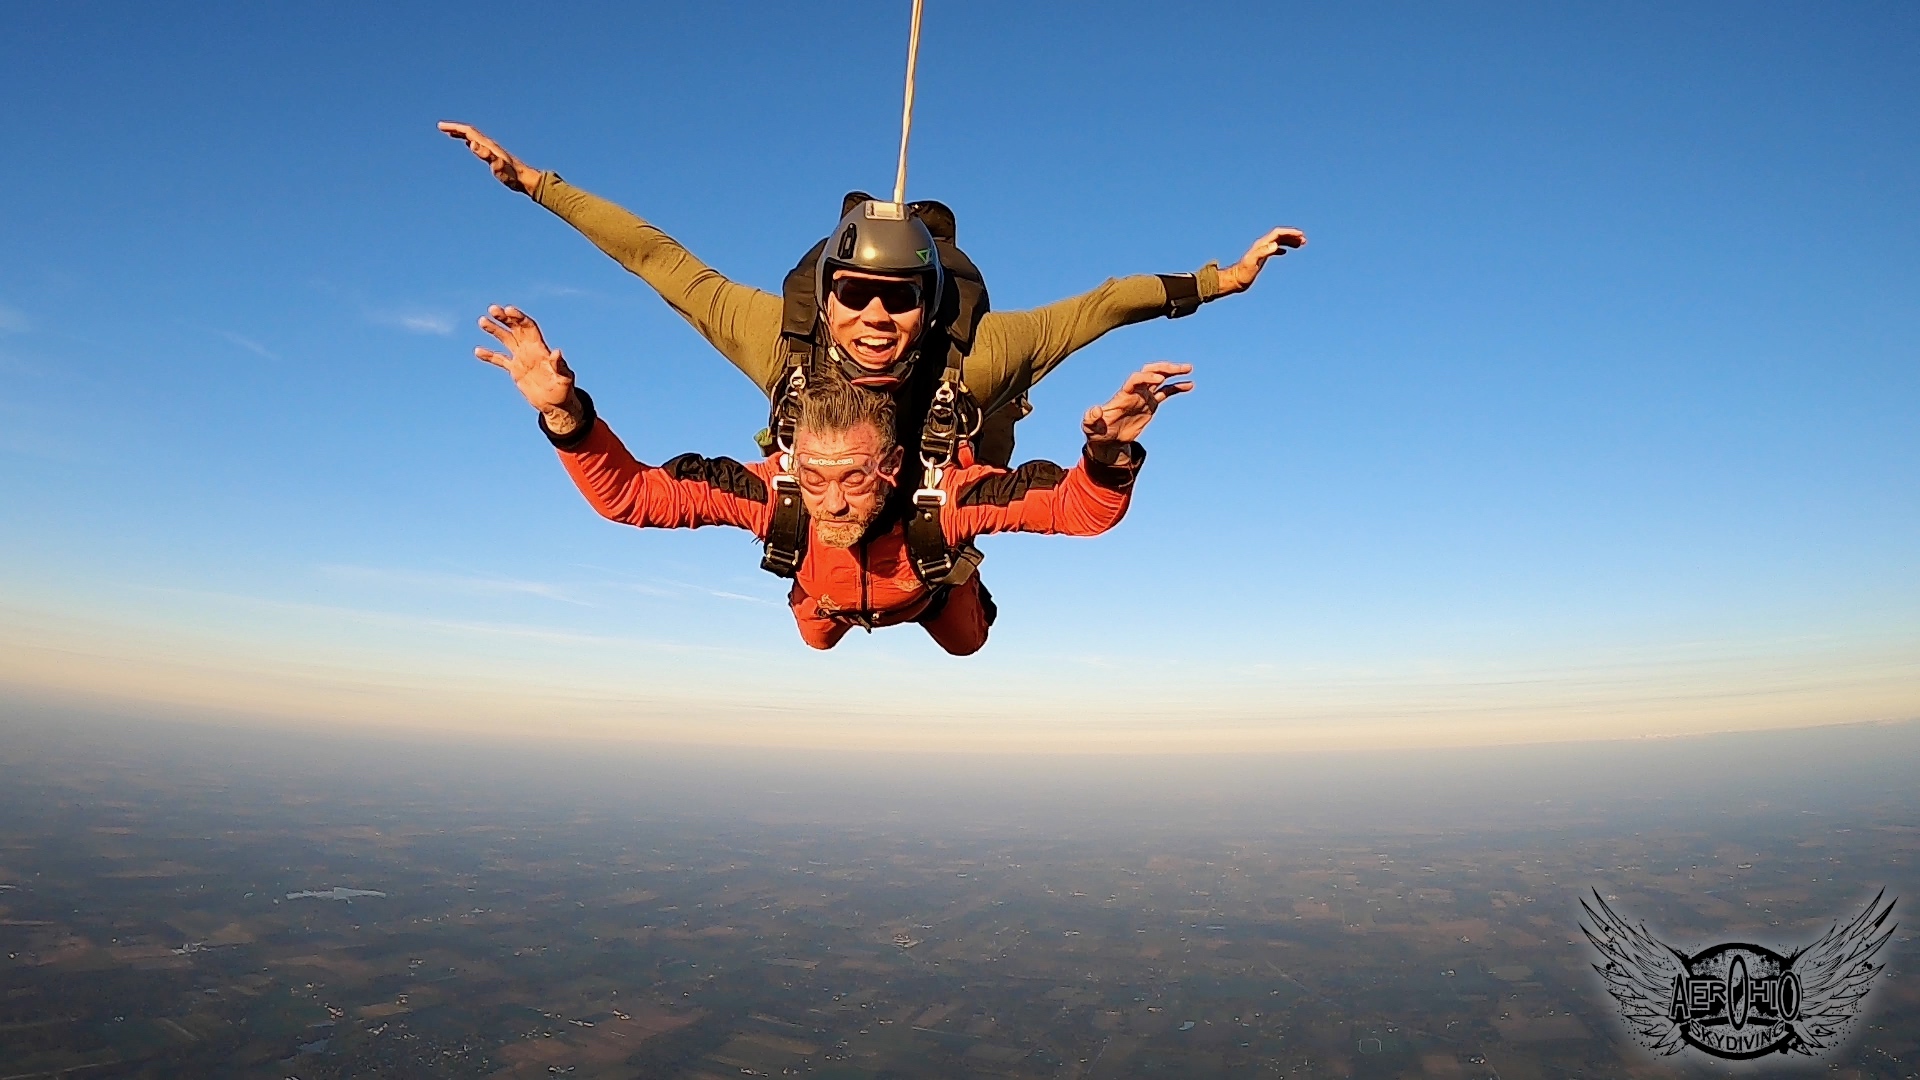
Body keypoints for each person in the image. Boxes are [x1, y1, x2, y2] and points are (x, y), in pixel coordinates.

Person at [439, 121, 1298, 467]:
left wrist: (1223, 280)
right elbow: (659, 262)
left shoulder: (981, 353)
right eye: (854, 296)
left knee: (958, 627)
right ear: (825, 296)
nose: (877, 318)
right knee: (816, 622)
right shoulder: (779, 339)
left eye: (901, 299)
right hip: (829, 498)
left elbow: (1103, 305)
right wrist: (536, 183)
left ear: (932, 303)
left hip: (939, 492)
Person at [474, 305, 1191, 655]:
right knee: (816, 640)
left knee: (966, 642)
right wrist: (566, 414)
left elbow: (1075, 512)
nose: (834, 501)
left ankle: (960, 587)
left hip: (928, 588)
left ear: (894, 466)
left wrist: (1107, 456)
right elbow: (630, 497)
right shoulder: (774, 496)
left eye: (854, 477)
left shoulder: (943, 499)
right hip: (825, 596)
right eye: (815, 479)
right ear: (793, 462)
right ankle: (843, 605)